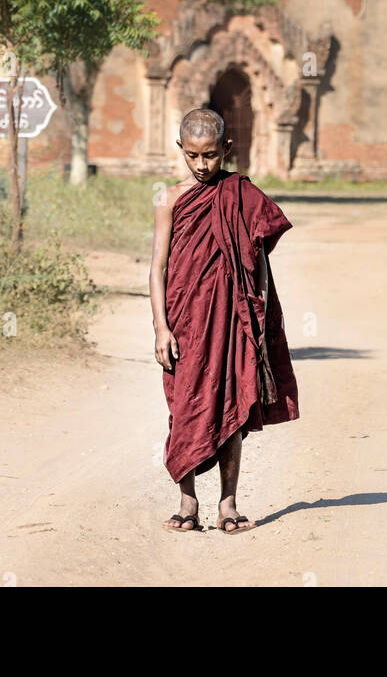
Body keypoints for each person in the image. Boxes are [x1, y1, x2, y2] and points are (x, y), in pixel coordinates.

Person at [149, 107, 299, 534]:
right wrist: (161, 327)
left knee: (231, 405)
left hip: (232, 321)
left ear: (227, 150)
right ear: (180, 149)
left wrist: (261, 320)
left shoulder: (241, 194)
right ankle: (187, 502)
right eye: (193, 156)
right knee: (184, 406)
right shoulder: (169, 199)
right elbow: (157, 267)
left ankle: (228, 504)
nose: (201, 166)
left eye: (211, 156)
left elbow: (257, 260)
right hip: (183, 321)